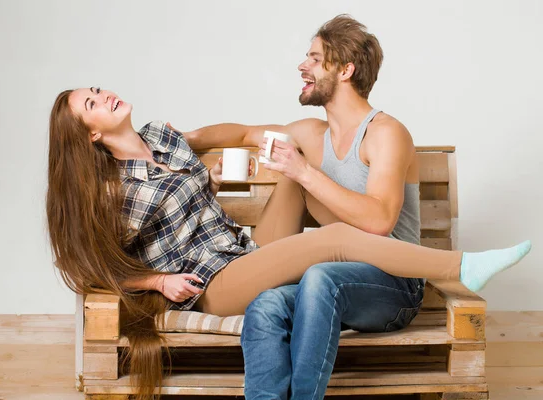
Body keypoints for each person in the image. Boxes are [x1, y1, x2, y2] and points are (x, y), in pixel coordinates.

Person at [47, 75, 529, 400]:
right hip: (211, 283)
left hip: (242, 248)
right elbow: (87, 269)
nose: (104, 95)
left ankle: (407, 263)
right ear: (88, 135)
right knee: (333, 238)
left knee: (293, 165)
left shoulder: (164, 137)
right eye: (92, 104)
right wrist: (157, 284)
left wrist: (208, 176)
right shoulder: (114, 189)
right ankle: (460, 267)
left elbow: (231, 138)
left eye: (96, 89)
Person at [182, 14, 532, 400]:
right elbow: (243, 132)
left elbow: (380, 220)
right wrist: (184, 137)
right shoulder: (310, 134)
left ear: (345, 70)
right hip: (328, 276)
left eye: (315, 59)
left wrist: (304, 172)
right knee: (267, 303)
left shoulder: (385, 134)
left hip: (394, 285)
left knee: (320, 277)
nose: (302, 66)